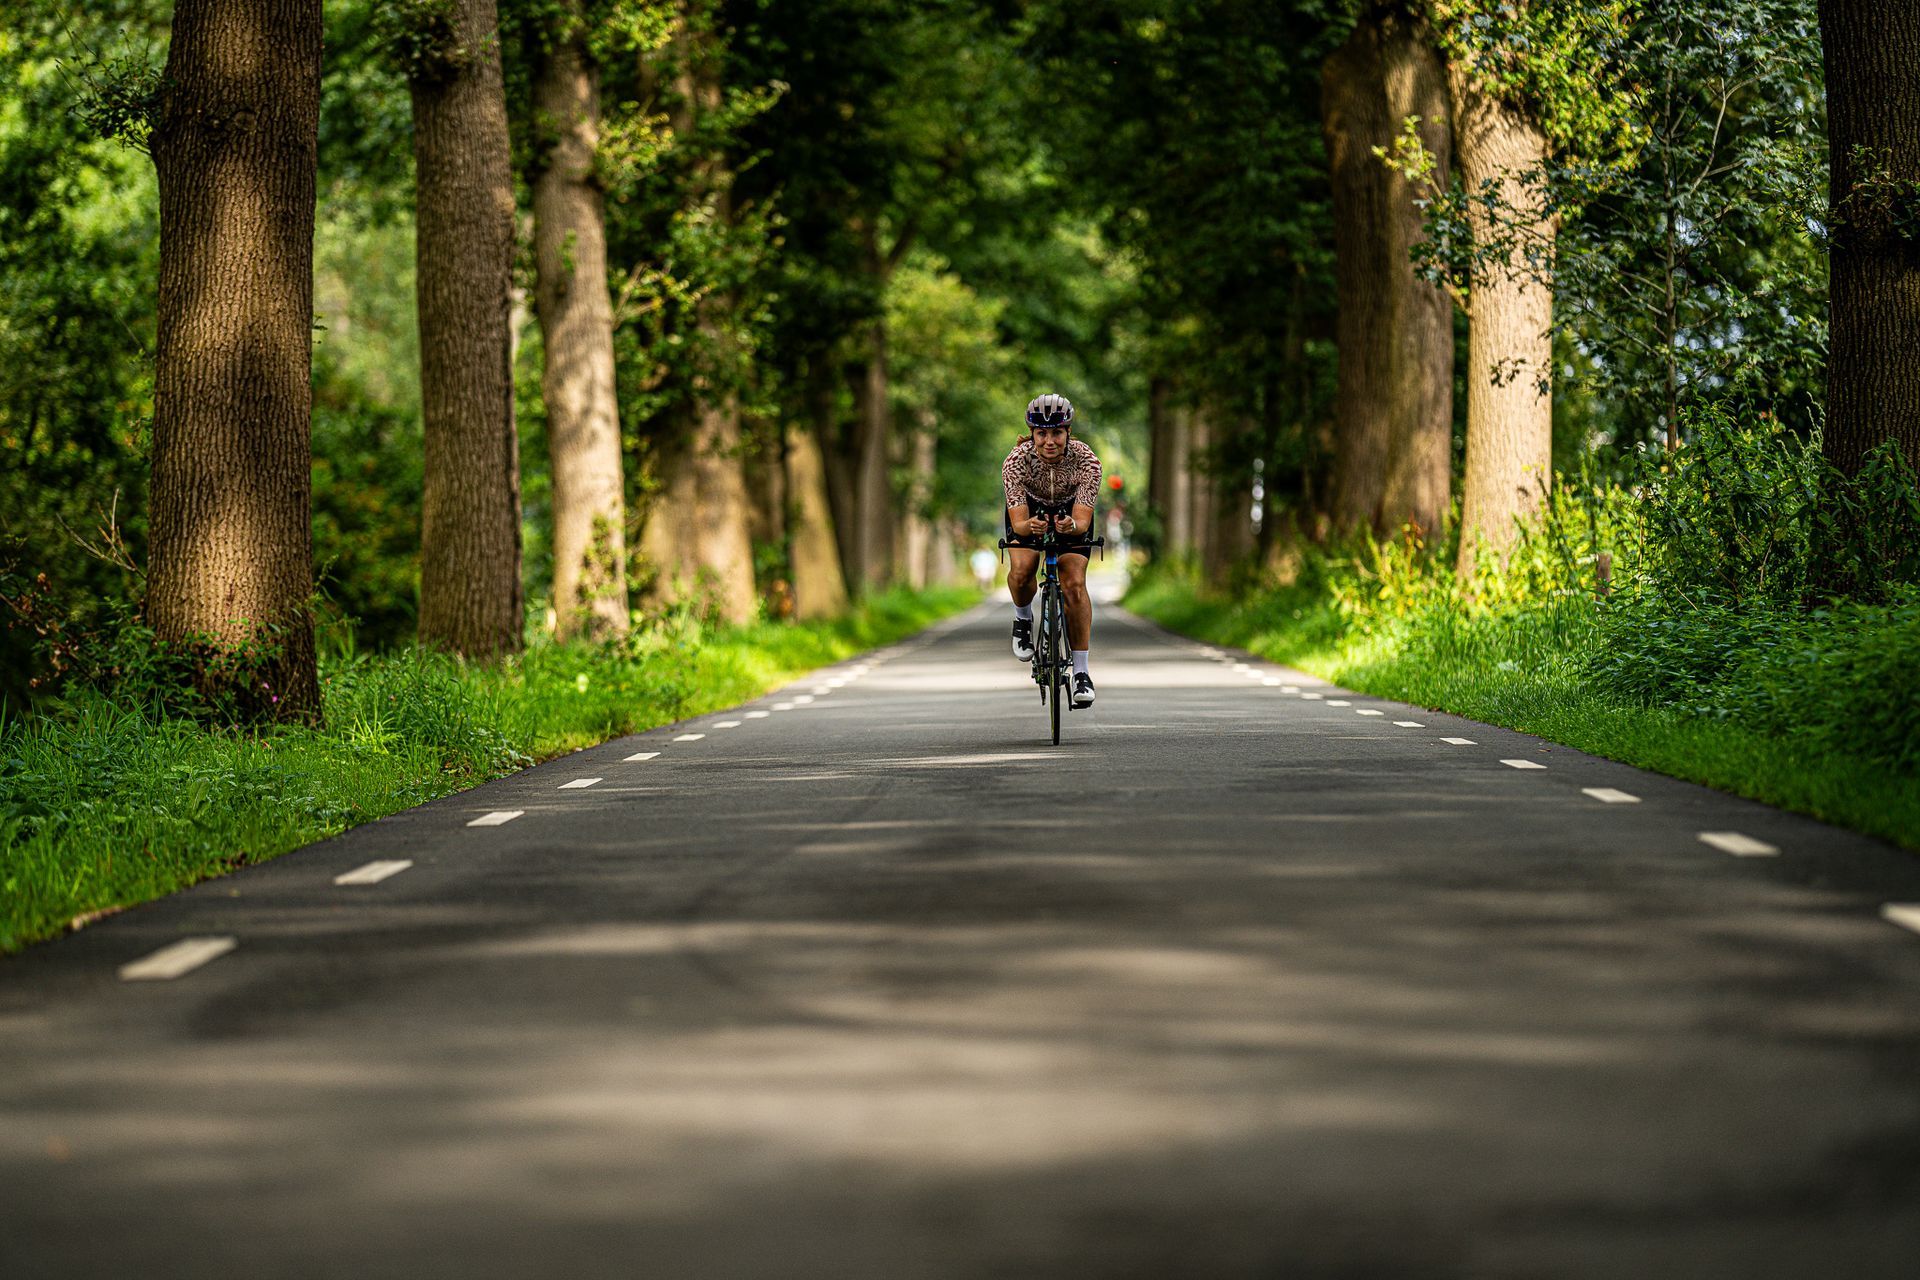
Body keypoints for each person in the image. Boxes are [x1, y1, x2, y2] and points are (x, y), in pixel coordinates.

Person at [1002, 392, 1100, 707]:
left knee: (1073, 584)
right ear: (1031, 434)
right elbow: (1018, 524)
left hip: (1071, 515)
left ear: (1068, 432)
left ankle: (1082, 673)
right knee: (1021, 570)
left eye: (1056, 432)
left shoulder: (1087, 461)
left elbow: (1083, 522)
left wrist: (1071, 525)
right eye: (1041, 433)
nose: (1049, 441)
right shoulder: (1016, 462)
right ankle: (1022, 619)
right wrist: (1028, 527)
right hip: (1030, 513)